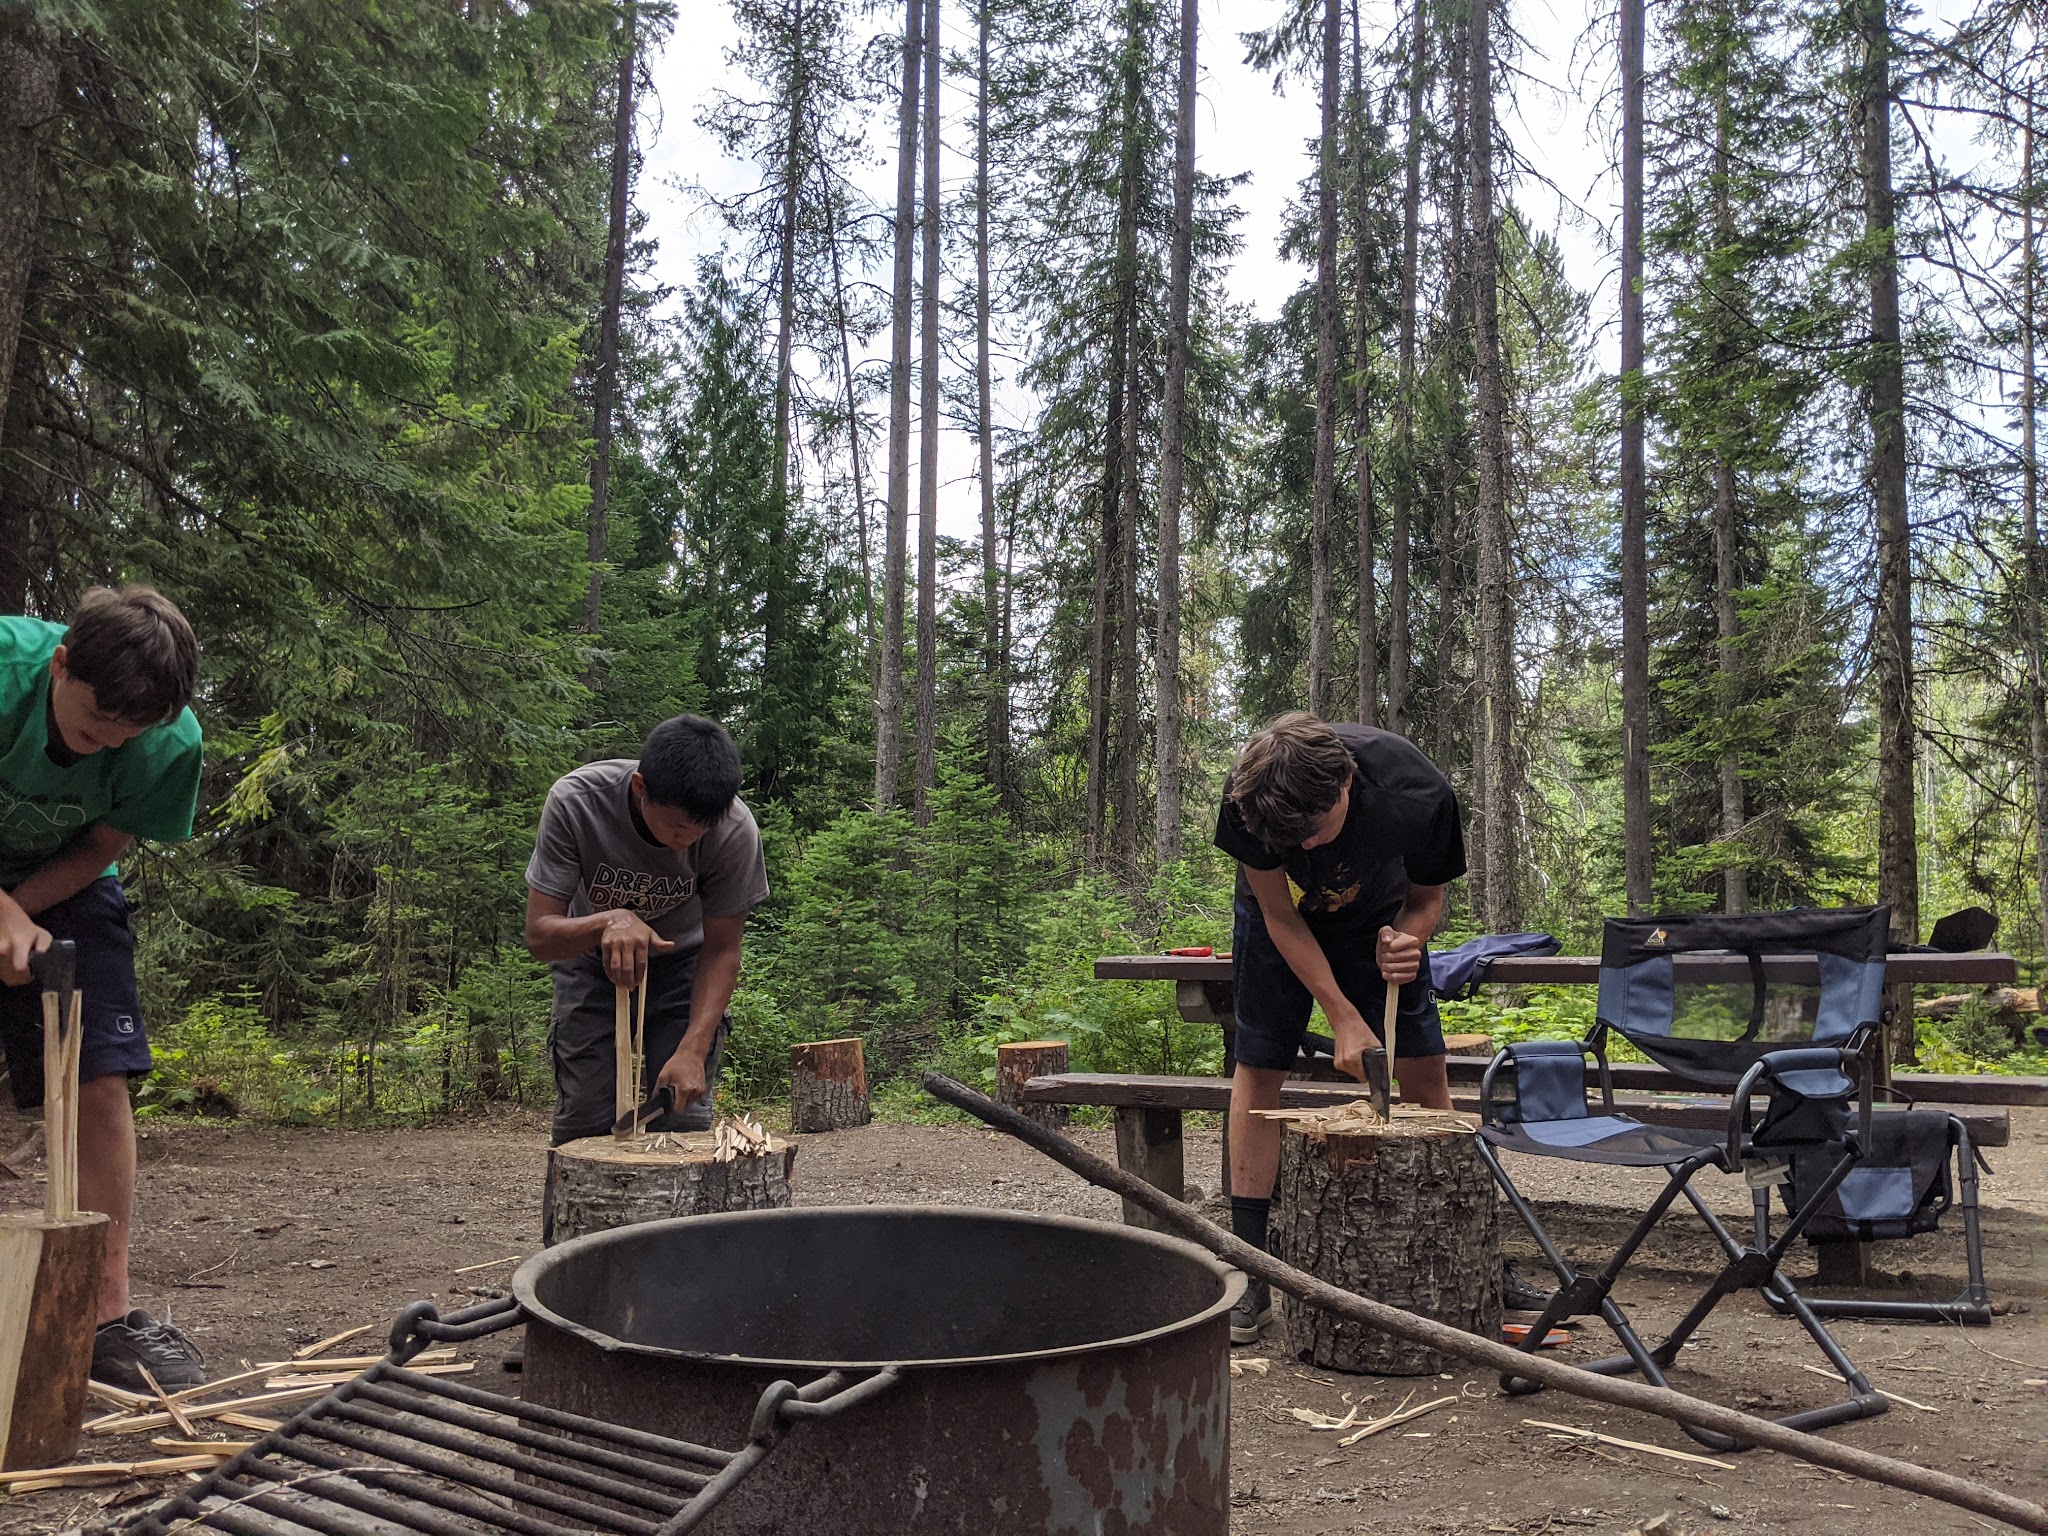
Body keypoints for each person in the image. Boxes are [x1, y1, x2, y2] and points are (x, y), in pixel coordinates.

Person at [1214, 712, 1546, 1343]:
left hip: (1380, 916)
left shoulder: (1417, 795)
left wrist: (1408, 944)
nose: (1305, 849)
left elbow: (1425, 902)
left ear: (1344, 785)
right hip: (1276, 927)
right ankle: (1250, 1267)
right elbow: (1280, 913)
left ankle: (1472, 1256)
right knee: (1258, 1066)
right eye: (1292, 841)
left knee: (1424, 1067)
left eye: (1313, 832)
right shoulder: (1251, 798)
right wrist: (1341, 1015)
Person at [0, 586, 206, 1389]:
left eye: (127, 735)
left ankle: (103, 1318)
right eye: (93, 726)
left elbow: (100, 846)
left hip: (61, 885)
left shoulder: (171, 743)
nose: (106, 746)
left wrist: (18, 911)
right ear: (58, 664)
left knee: (97, 1074)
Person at [522, 714, 769, 1242]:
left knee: (681, 1111)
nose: (688, 842)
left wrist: (692, 1049)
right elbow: (541, 935)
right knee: (587, 1111)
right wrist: (608, 921)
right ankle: (564, 1261)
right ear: (640, 789)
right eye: (678, 828)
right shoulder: (577, 802)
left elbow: (724, 950)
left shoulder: (733, 830)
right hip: (588, 958)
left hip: (685, 966)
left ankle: (680, 1261)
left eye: (699, 831)